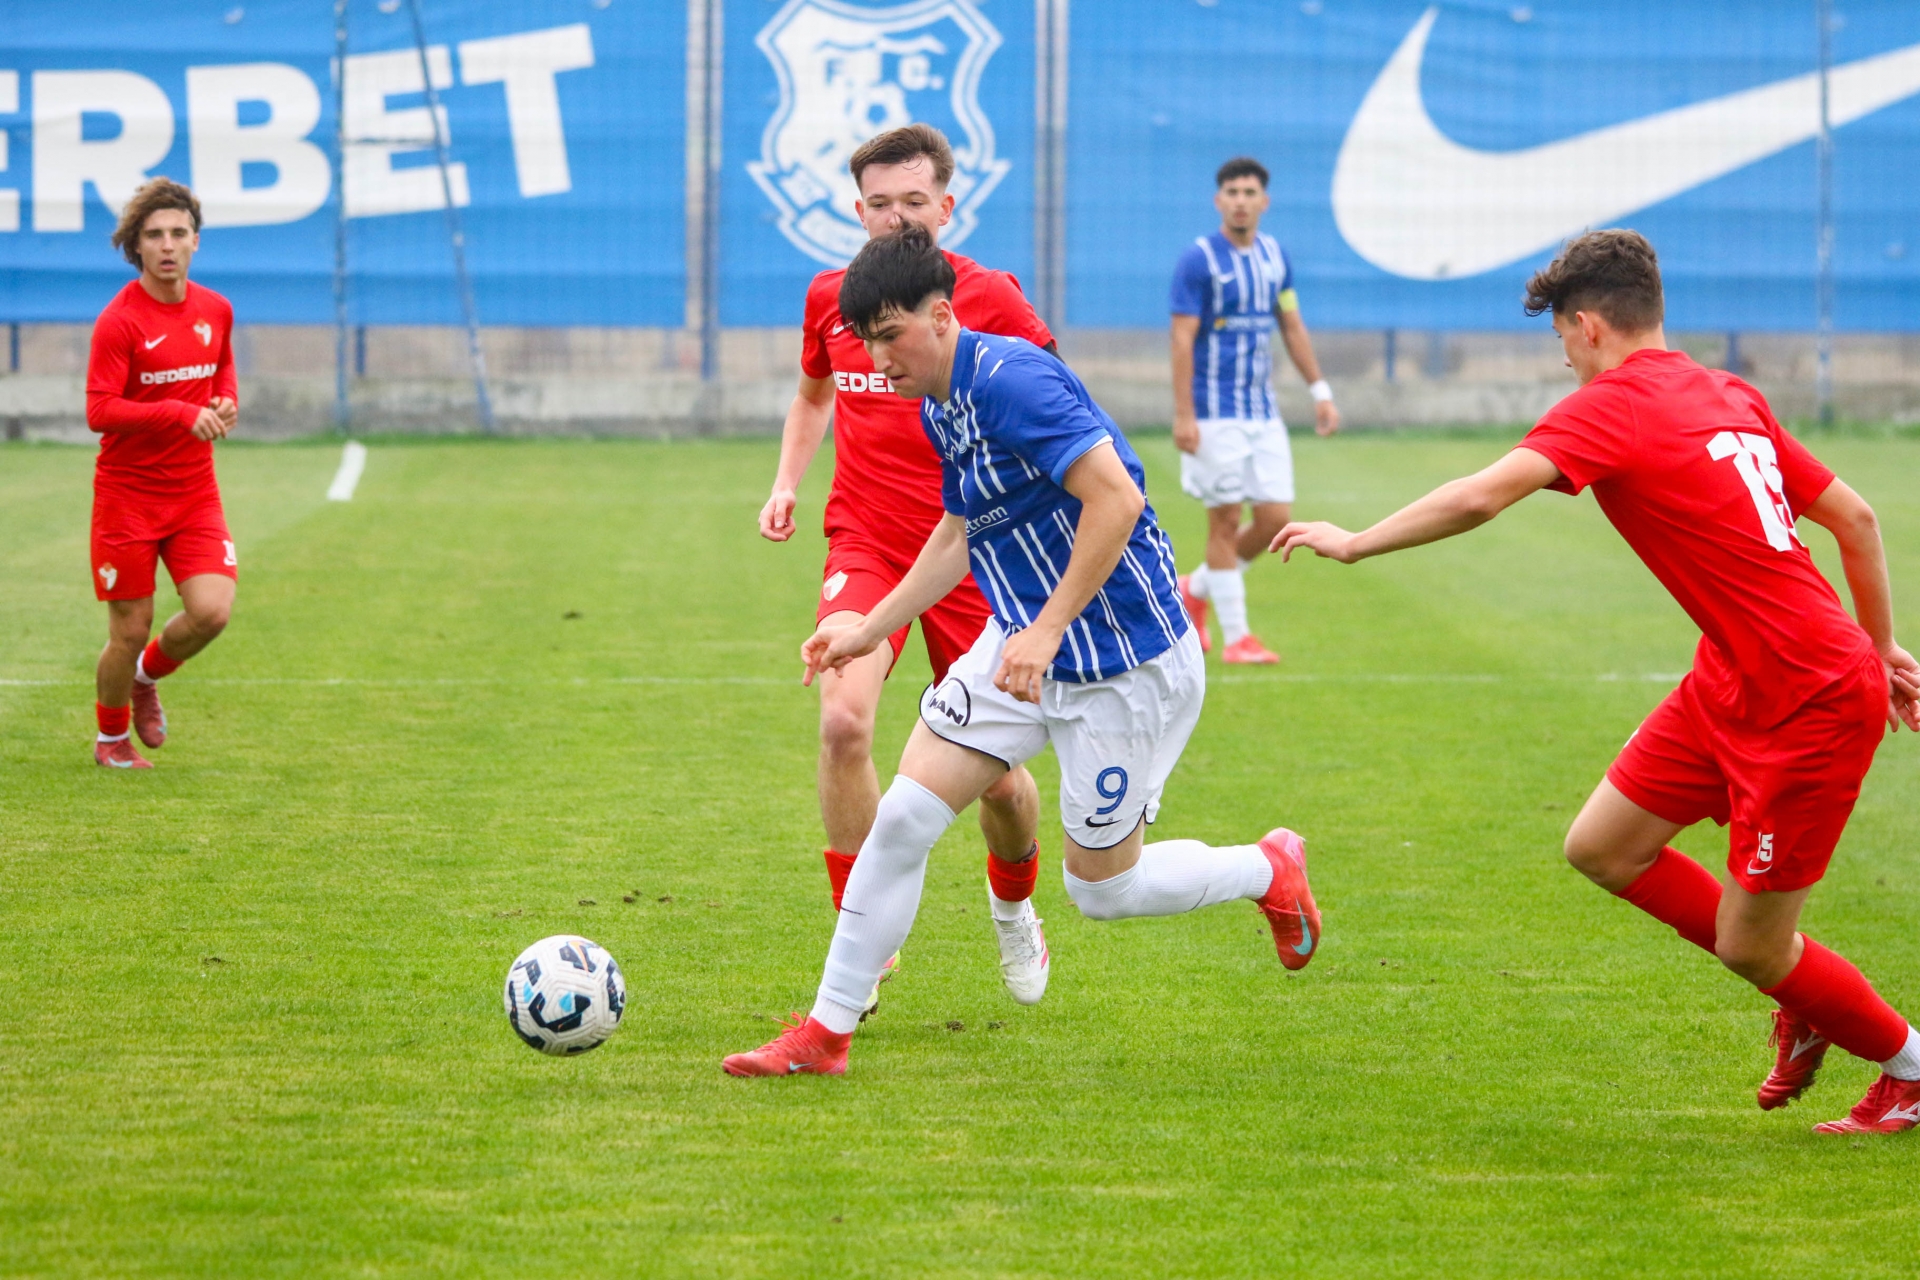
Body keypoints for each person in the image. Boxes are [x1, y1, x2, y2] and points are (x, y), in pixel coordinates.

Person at [1275, 229, 1920, 1135]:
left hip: (1807, 700)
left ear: (1587, 326)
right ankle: (1803, 990)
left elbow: (1481, 495)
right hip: (1734, 676)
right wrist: (1882, 647)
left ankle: (1907, 1066)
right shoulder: (1728, 391)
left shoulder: (1614, 404)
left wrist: (1355, 541)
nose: (1567, 362)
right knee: (1603, 847)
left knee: (1751, 945)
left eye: (1562, 341)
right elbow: (1855, 519)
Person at [724, 224, 1322, 1078]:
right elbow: (957, 534)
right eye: (866, 342)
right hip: (1016, 647)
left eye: (890, 336)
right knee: (902, 818)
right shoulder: (940, 403)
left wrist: (1047, 629)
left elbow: (1115, 500)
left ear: (941, 316)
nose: (879, 360)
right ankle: (826, 1034)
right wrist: (869, 627)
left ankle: (1267, 868)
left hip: (1124, 661)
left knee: (1102, 890)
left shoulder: (1014, 381)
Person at [758, 124, 1056, 1008]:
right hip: (869, 542)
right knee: (842, 722)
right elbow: (814, 394)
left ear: (947, 207)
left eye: (914, 202)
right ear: (859, 210)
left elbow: (1054, 406)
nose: (897, 219)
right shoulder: (831, 297)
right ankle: (863, 941)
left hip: (973, 556)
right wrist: (786, 483)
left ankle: (1014, 910)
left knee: (999, 783)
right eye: (880, 204)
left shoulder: (988, 296)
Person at [85, 177, 238, 769]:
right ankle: (111, 741)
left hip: (194, 491)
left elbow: (221, 371)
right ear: (137, 247)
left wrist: (225, 403)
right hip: (128, 496)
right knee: (129, 629)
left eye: (178, 233)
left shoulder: (216, 309)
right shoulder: (119, 321)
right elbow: (100, 410)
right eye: (154, 235)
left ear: (196, 241)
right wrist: (178, 412)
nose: (167, 245)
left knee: (212, 612)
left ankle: (145, 678)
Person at [1170, 156, 1340, 665]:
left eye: (1249, 193)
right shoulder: (1199, 260)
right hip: (1214, 412)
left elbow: (1291, 324)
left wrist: (1320, 390)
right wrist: (1184, 414)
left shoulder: (1274, 257)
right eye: (1232, 192)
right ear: (1218, 200)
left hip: (1262, 412)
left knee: (1274, 519)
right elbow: (1182, 339)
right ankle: (1238, 639)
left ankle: (1194, 589)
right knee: (1224, 522)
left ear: (1264, 202)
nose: (1240, 201)